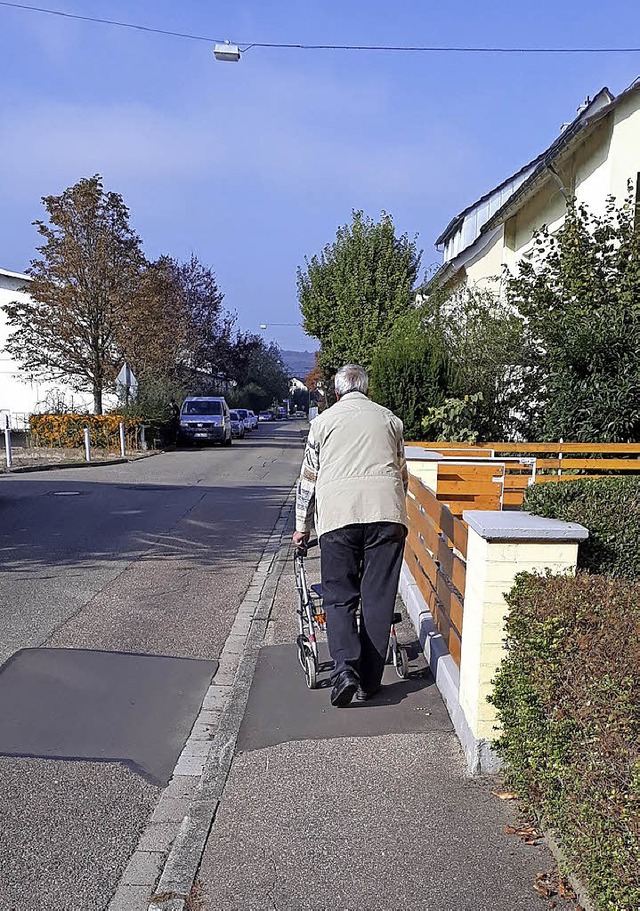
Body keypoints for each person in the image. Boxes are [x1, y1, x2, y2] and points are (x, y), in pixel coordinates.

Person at [292, 364, 409, 708]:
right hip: (386, 516)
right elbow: (402, 474)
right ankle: (370, 681)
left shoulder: (322, 423)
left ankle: (344, 669)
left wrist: (303, 526)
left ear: (337, 392)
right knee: (378, 598)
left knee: (339, 595)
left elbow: (308, 479)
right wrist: (396, 511)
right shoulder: (390, 420)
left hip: (339, 517)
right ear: (367, 391)